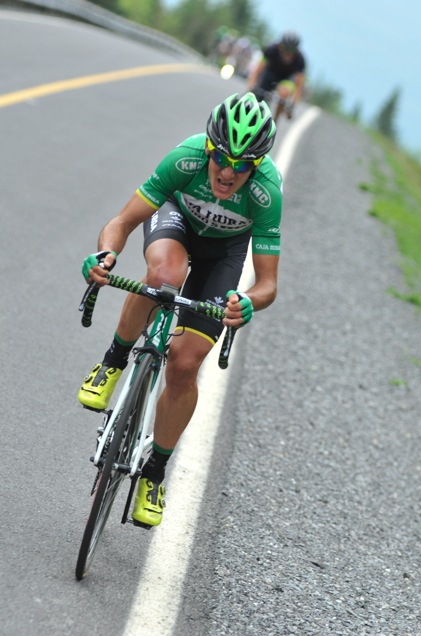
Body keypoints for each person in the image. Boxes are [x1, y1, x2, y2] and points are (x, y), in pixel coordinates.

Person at [78, 93, 282, 528]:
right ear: (208, 148)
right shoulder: (185, 160)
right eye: (221, 158)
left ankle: (154, 473)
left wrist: (247, 301)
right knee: (164, 277)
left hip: (223, 254)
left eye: (243, 165)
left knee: (186, 365)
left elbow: (267, 284)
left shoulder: (267, 193)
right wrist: (106, 255)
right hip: (177, 223)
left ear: (258, 164)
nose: (228, 172)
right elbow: (122, 222)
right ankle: (113, 362)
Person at [246, 31, 306, 121]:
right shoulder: (272, 49)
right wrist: (251, 86)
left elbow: (299, 86)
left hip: (286, 79)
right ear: (281, 46)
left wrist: (292, 104)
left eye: (291, 51)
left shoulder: (300, 59)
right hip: (269, 74)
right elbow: (258, 70)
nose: (288, 53)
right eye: (286, 49)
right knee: (257, 95)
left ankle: (275, 120)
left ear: (296, 50)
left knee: (284, 93)